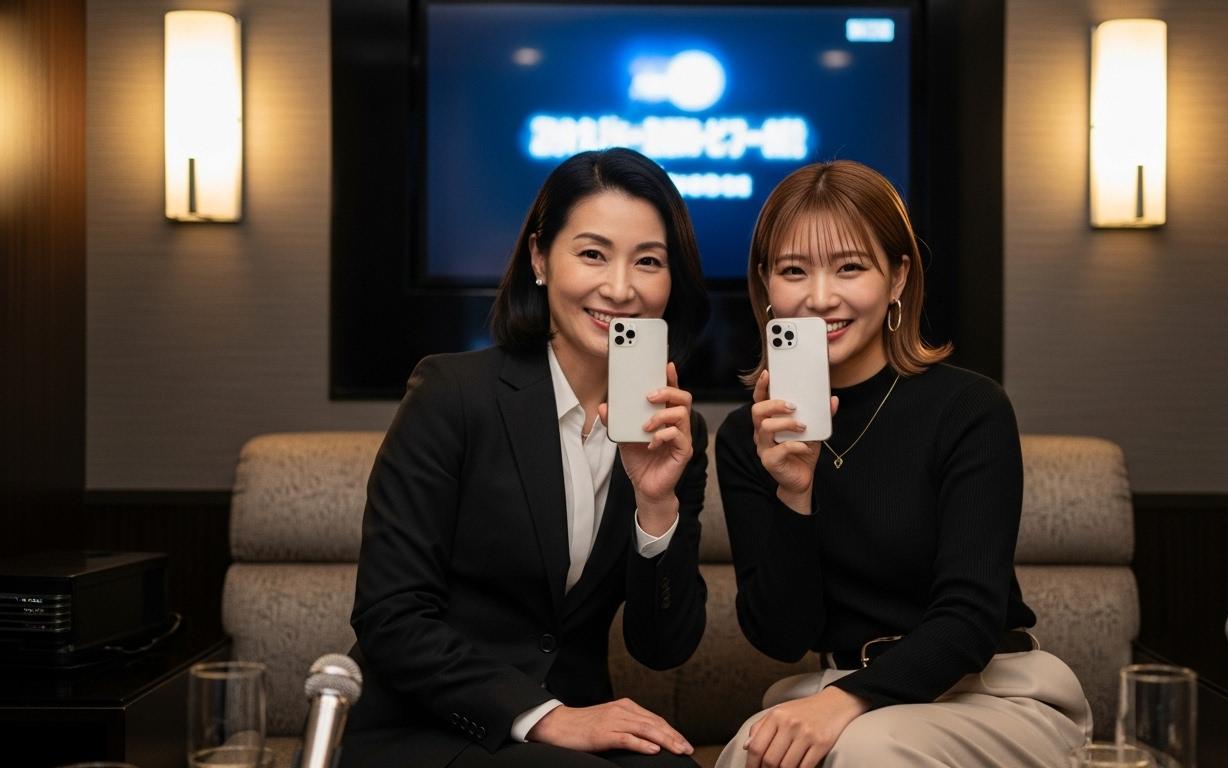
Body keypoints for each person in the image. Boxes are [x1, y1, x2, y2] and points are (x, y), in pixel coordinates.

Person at [714, 160, 1091, 768]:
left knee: (870, 751)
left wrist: (847, 702)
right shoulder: (748, 436)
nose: (820, 297)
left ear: (897, 277)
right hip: (835, 690)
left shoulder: (968, 408)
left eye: (850, 267)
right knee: (751, 754)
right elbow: (780, 637)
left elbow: (969, 620)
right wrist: (794, 494)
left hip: (988, 691)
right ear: (766, 285)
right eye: (793, 270)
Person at [343, 148, 712, 768]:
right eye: (592, 254)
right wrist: (546, 717)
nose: (620, 288)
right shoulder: (452, 394)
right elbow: (391, 615)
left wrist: (656, 506)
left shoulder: (675, 431)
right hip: (425, 728)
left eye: (648, 261)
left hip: (571, 729)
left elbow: (662, 648)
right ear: (540, 259)